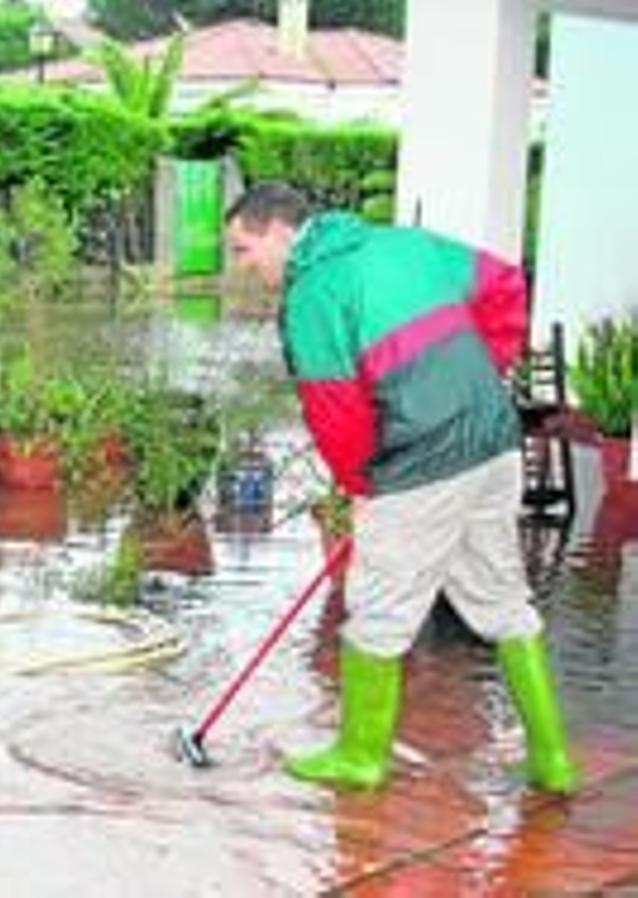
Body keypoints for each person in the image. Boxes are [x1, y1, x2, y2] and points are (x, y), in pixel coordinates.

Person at [223, 182, 579, 794]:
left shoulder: (312, 293)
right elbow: (503, 286)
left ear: (281, 230)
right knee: (500, 601)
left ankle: (360, 757)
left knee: (378, 612)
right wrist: (479, 376)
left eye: (244, 249)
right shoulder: (404, 244)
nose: (244, 267)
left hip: (418, 465)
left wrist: (364, 485)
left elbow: (334, 410)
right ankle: (554, 760)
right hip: (493, 444)